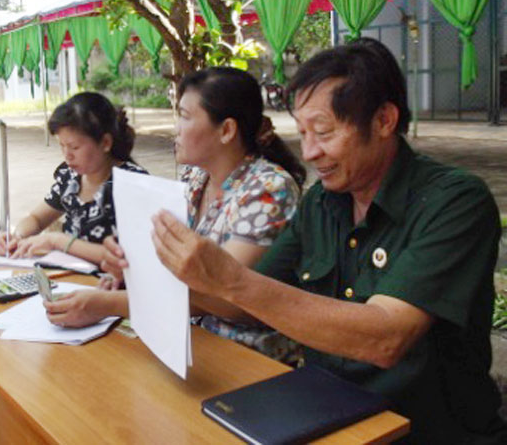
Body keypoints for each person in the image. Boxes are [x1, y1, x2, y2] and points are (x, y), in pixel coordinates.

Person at [152, 39, 507, 444]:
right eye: (302, 133)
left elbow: (385, 338)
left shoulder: (454, 202)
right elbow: (250, 304)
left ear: (384, 120)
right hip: (322, 414)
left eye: (323, 132)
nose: (309, 152)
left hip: (421, 430)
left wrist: (229, 279)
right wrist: (163, 276)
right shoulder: (322, 202)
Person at [45, 68, 305, 363]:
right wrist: (127, 269)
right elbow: (170, 263)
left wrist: (110, 303)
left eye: (184, 116)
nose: (175, 128)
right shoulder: (195, 178)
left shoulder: (268, 189)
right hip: (186, 340)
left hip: (247, 357)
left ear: (226, 130)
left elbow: (225, 295)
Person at [0, 91, 147, 264]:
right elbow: (36, 219)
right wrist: (16, 237)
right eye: (62, 146)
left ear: (105, 143)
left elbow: (129, 257)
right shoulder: (70, 178)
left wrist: (58, 242)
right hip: (68, 275)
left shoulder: (133, 183)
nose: (67, 155)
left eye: (74, 147)